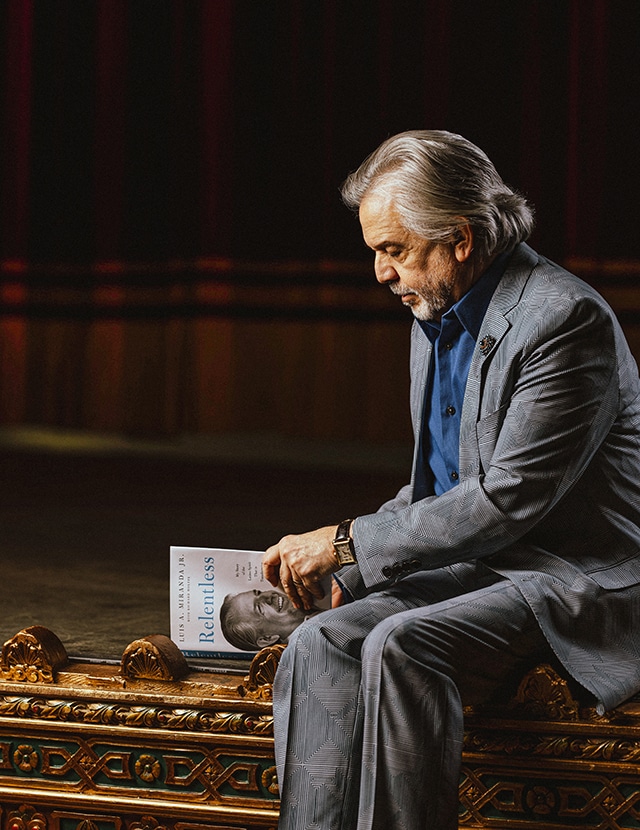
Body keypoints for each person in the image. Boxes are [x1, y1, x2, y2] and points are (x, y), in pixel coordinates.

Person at [261, 130, 640, 830]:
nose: (381, 273)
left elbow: (507, 499)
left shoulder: (564, 318)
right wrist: (354, 569)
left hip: (574, 577)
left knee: (401, 647)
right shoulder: (433, 312)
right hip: (486, 565)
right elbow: (438, 492)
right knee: (320, 642)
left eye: (393, 250)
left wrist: (347, 545)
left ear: (460, 239)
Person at [219, 588, 321, 651]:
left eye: (259, 593)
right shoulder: (315, 648)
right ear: (267, 639)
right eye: (259, 607)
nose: (268, 596)